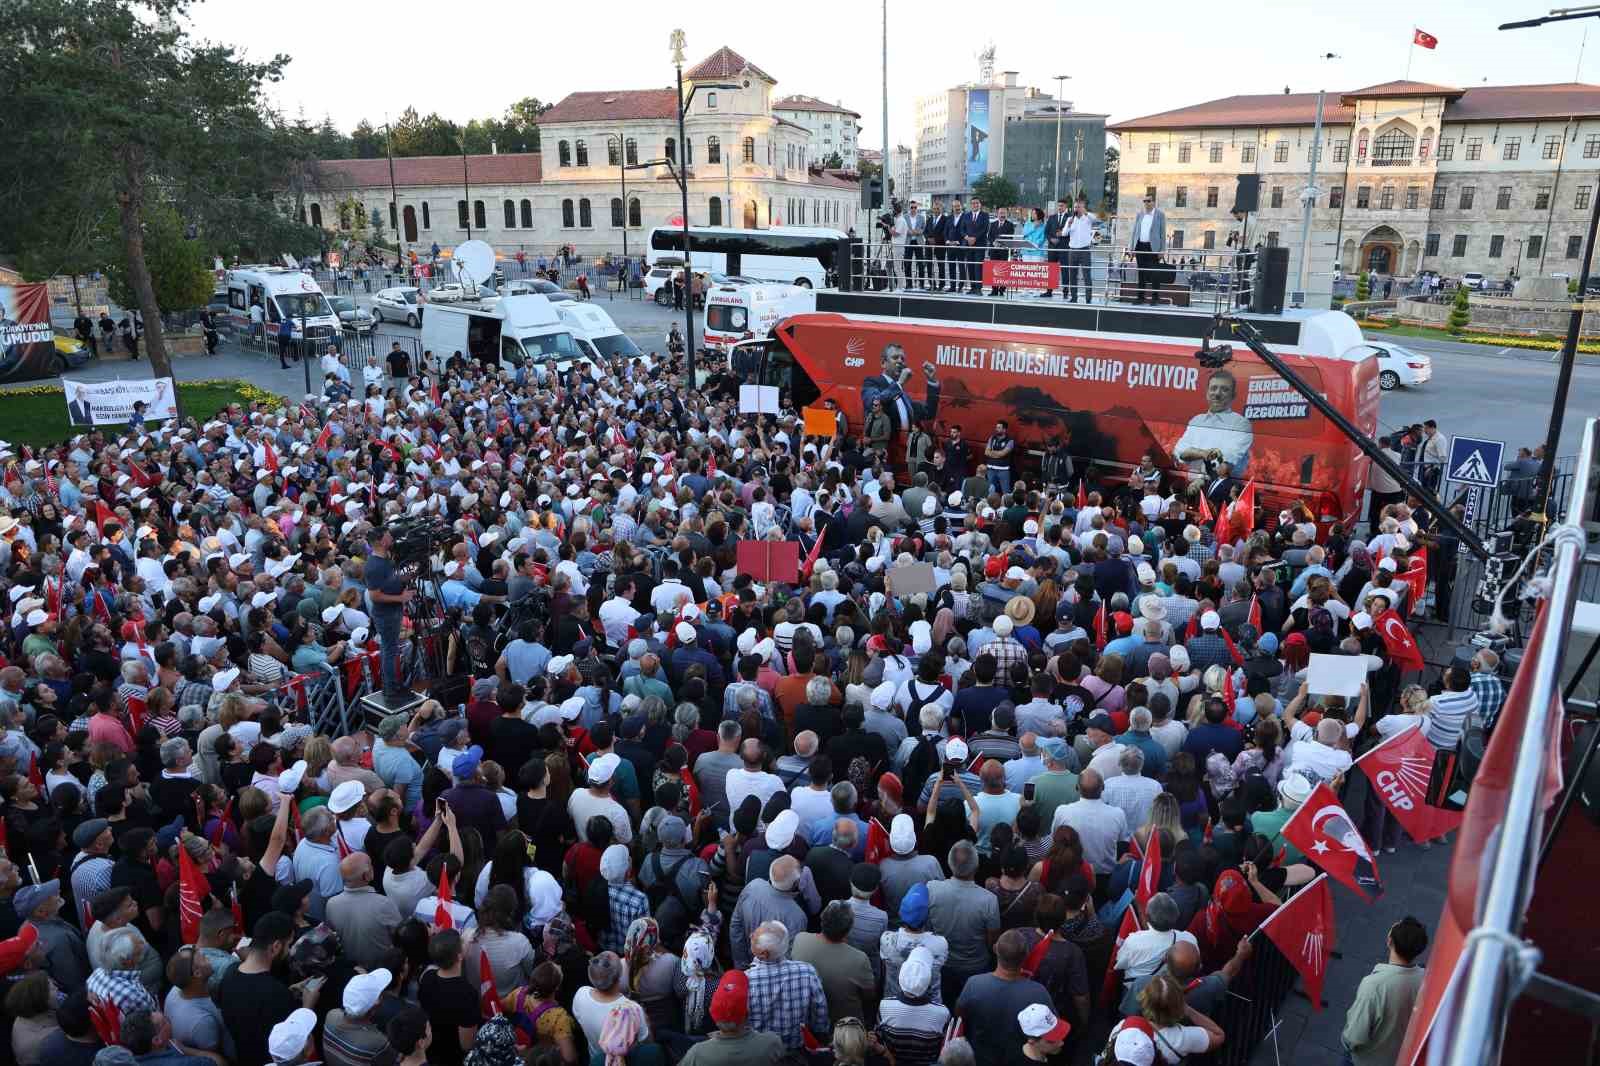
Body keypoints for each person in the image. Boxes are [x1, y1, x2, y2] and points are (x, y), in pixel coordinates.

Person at [1342, 917, 1429, 1066]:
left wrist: (1346, 1042)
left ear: (1389, 941)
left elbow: (1354, 1038)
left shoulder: (1374, 986)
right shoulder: (1426, 979)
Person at [1128, 194, 1167, 304]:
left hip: (1153, 248)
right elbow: (1134, 232)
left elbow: (1163, 233)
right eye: (1144, 201)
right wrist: (1132, 248)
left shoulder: (1160, 215)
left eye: (1148, 201)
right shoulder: (1140, 214)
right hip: (1140, 246)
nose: (1146, 203)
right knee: (1141, 273)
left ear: (1153, 202)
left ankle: (1155, 298)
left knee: (1154, 273)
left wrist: (1162, 250)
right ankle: (1140, 297)